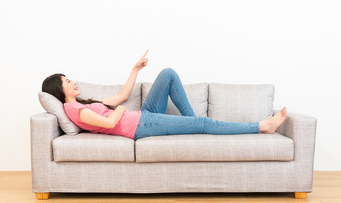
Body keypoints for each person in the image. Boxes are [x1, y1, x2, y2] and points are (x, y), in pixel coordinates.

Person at [41, 49, 287, 140]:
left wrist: (134, 68)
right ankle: (262, 126)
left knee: (168, 73)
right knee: (202, 123)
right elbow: (109, 121)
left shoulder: (84, 102)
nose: (73, 82)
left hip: (144, 116)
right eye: (67, 81)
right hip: (140, 125)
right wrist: (120, 110)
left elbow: (122, 96)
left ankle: (195, 125)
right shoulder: (73, 110)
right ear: (58, 90)